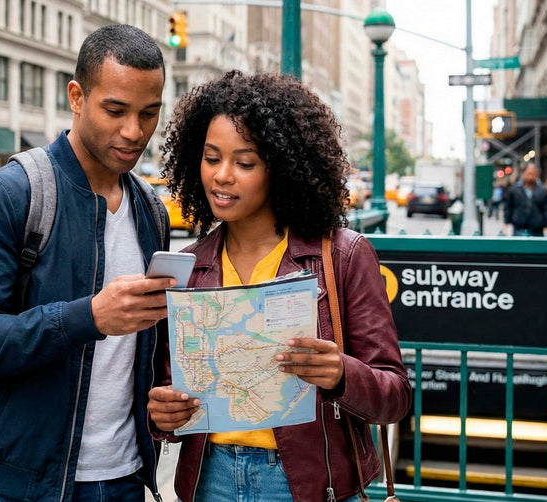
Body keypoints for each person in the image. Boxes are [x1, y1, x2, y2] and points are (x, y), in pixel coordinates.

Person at [147, 71, 412, 502]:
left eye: (245, 162)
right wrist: (161, 414)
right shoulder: (188, 265)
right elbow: (166, 390)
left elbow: (395, 395)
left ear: (283, 168)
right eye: (212, 158)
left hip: (306, 484)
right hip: (208, 480)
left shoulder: (343, 255)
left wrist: (342, 374)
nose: (222, 176)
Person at [0, 24, 172, 502]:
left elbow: (141, 357)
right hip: (20, 486)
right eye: (115, 110)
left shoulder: (151, 211)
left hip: (125, 478)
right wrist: (88, 317)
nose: (134, 131)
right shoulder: (8, 194)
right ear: (76, 96)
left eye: (149, 114)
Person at [503, 163, 547, 236]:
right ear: (523, 173)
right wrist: (506, 222)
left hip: (537, 229)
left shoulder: (543, 190)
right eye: (529, 173)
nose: (531, 176)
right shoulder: (514, 189)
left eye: (533, 174)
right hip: (519, 228)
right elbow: (508, 206)